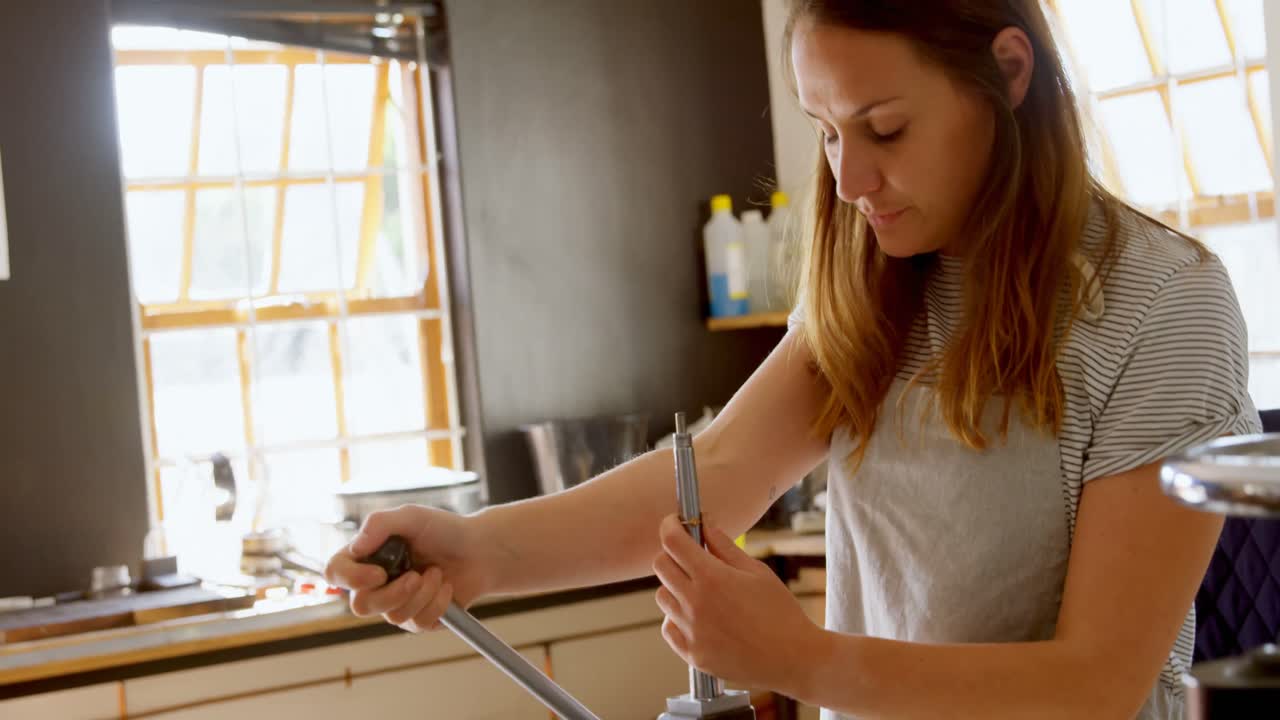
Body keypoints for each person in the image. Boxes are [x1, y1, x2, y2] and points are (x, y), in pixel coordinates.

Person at [325, 1, 1262, 717]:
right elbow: (717, 475)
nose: (849, 181)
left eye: (884, 127)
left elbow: (1094, 684)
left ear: (1009, 74)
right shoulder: (872, 276)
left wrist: (803, 659)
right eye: (825, 130)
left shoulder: (1164, 305)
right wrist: (478, 550)